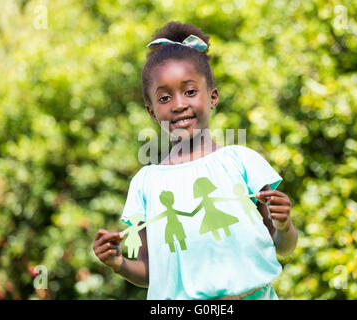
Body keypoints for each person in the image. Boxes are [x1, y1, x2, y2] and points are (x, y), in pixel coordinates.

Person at [92, 21, 298, 300]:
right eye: (164, 98)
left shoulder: (242, 162)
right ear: (152, 112)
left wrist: (284, 225)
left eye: (190, 92)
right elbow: (153, 272)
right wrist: (118, 263)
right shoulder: (146, 183)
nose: (178, 104)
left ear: (212, 97)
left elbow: (283, 247)